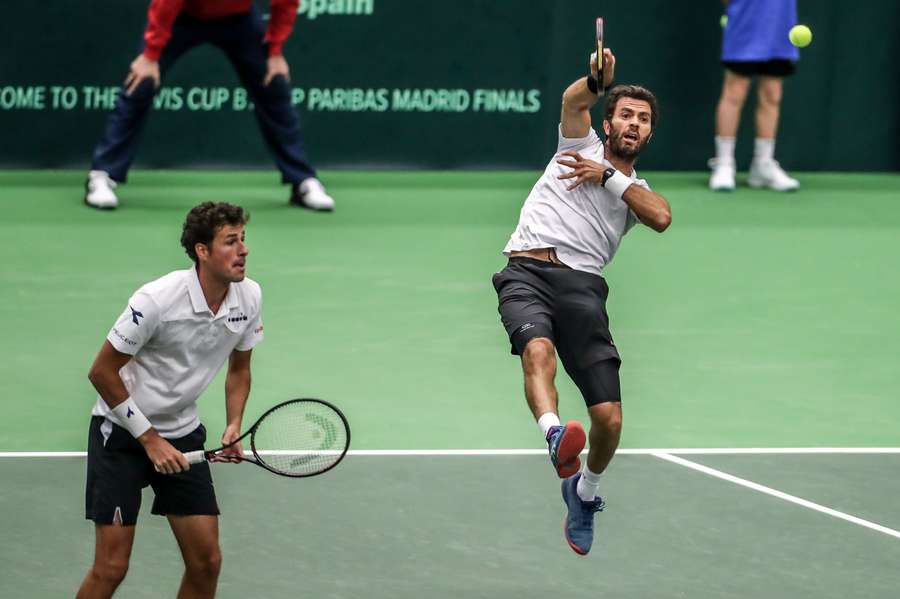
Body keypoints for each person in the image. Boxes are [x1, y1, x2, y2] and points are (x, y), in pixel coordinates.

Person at [492, 48, 671, 556]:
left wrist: (610, 178)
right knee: (537, 352)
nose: (634, 124)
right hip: (525, 271)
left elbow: (661, 217)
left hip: (582, 289)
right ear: (608, 122)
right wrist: (595, 81)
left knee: (609, 420)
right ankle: (553, 434)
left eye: (643, 120)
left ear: (649, 134)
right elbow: (574, 100)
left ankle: (584, 494)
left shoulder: (636, 188)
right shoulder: (579, 142)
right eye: (626, 114)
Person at [77, 201, 263, 599]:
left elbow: (239, 370)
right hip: (123, 435)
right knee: (111, 568)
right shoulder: (156, 299)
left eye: (243, 239)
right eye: (231, 241)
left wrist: (233, 424)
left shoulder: (249, 298)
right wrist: (149, 439)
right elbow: (101, 372)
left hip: (181, 433)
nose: (243, 249)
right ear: (203, 250)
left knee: (206, 562)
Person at [83, 0, 334, 211]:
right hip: (183, 14)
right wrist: (150, 54)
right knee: (142, 82)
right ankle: (102, 174)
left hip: (239, 19)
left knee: (274, 84)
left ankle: (302, 180)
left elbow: (286, 2)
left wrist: (275, 51)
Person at [709, 0, 800, 191]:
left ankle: (762, 165)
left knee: (772, 93)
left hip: (781, 24)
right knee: (735, 91)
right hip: (744, 22)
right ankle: (724, 163)